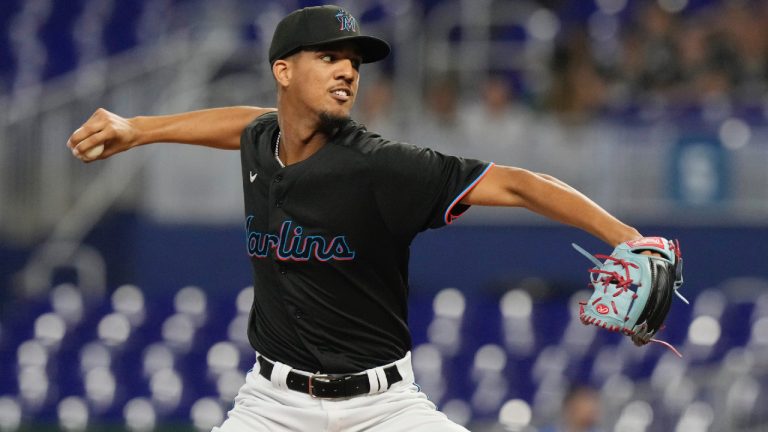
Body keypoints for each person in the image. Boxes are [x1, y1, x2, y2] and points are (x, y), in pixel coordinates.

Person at [67, 5, 646, 431]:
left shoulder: (383, 167)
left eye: (353, 62)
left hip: (383, 408)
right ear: (283, 72)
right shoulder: (263, 138)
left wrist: (626, 237)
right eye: (328, 57)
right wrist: (139, 129)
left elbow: (522, 185)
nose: (347, 71)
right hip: (272, 405)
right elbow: (242, 123)